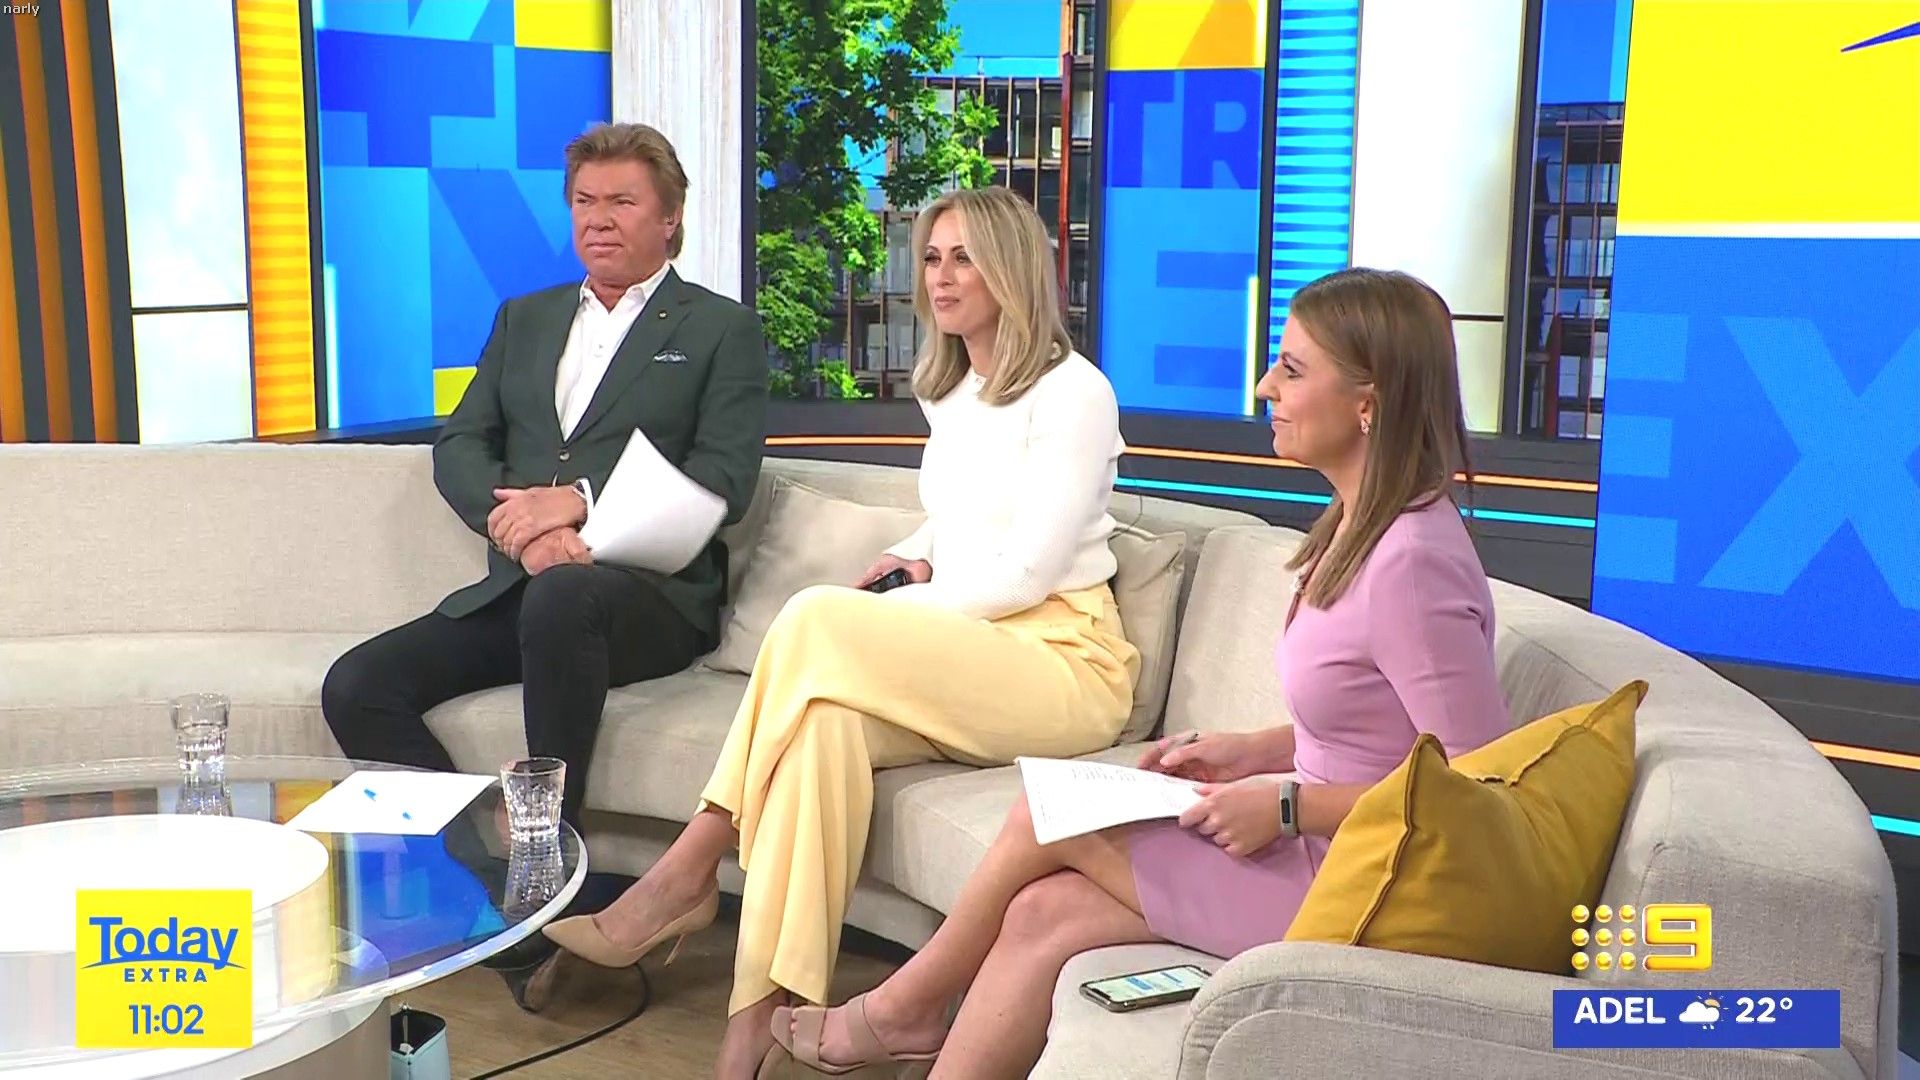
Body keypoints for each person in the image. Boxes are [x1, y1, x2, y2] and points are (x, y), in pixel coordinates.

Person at [768, 267, 1515, 1076]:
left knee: (1046, 815)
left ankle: (902, 1010)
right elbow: (1376, 725)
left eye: (1293, 370)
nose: (1266, 386)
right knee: (1045, 911)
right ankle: (912, 1023)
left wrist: (1288, 804)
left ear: (1369, 403)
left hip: (1370, 885)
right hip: (1327, 843)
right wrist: (1252, 752)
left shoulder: (1413, 561)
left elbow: (1474, 785)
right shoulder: (1359, 526)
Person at [540, 186, 1142, 1078]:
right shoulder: (956, 390)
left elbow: (1028, 573)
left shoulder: (1073, 392)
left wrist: (879, 617)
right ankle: (757, 1027)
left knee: (819, 615)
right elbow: (965, 519)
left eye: (965, 258)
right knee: (820, 730)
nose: (940, 277)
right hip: (980, 648)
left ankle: (689, 864)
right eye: (931, 257)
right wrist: (911, 557)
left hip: (1061, 658)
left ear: (1013, 270)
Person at [320, 122, 767, 1002]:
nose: (599, 219)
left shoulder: (721, 329)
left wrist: (580, 506)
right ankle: (483, 884)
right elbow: (461, 444)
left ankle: (545, 871)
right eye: (585, 202)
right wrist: (521, 530)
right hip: (529, 583)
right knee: (358, 685)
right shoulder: (524, 318)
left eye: (623, 202)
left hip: (650, 597)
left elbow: (725, 478)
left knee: (564, 598)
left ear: (670, 218)